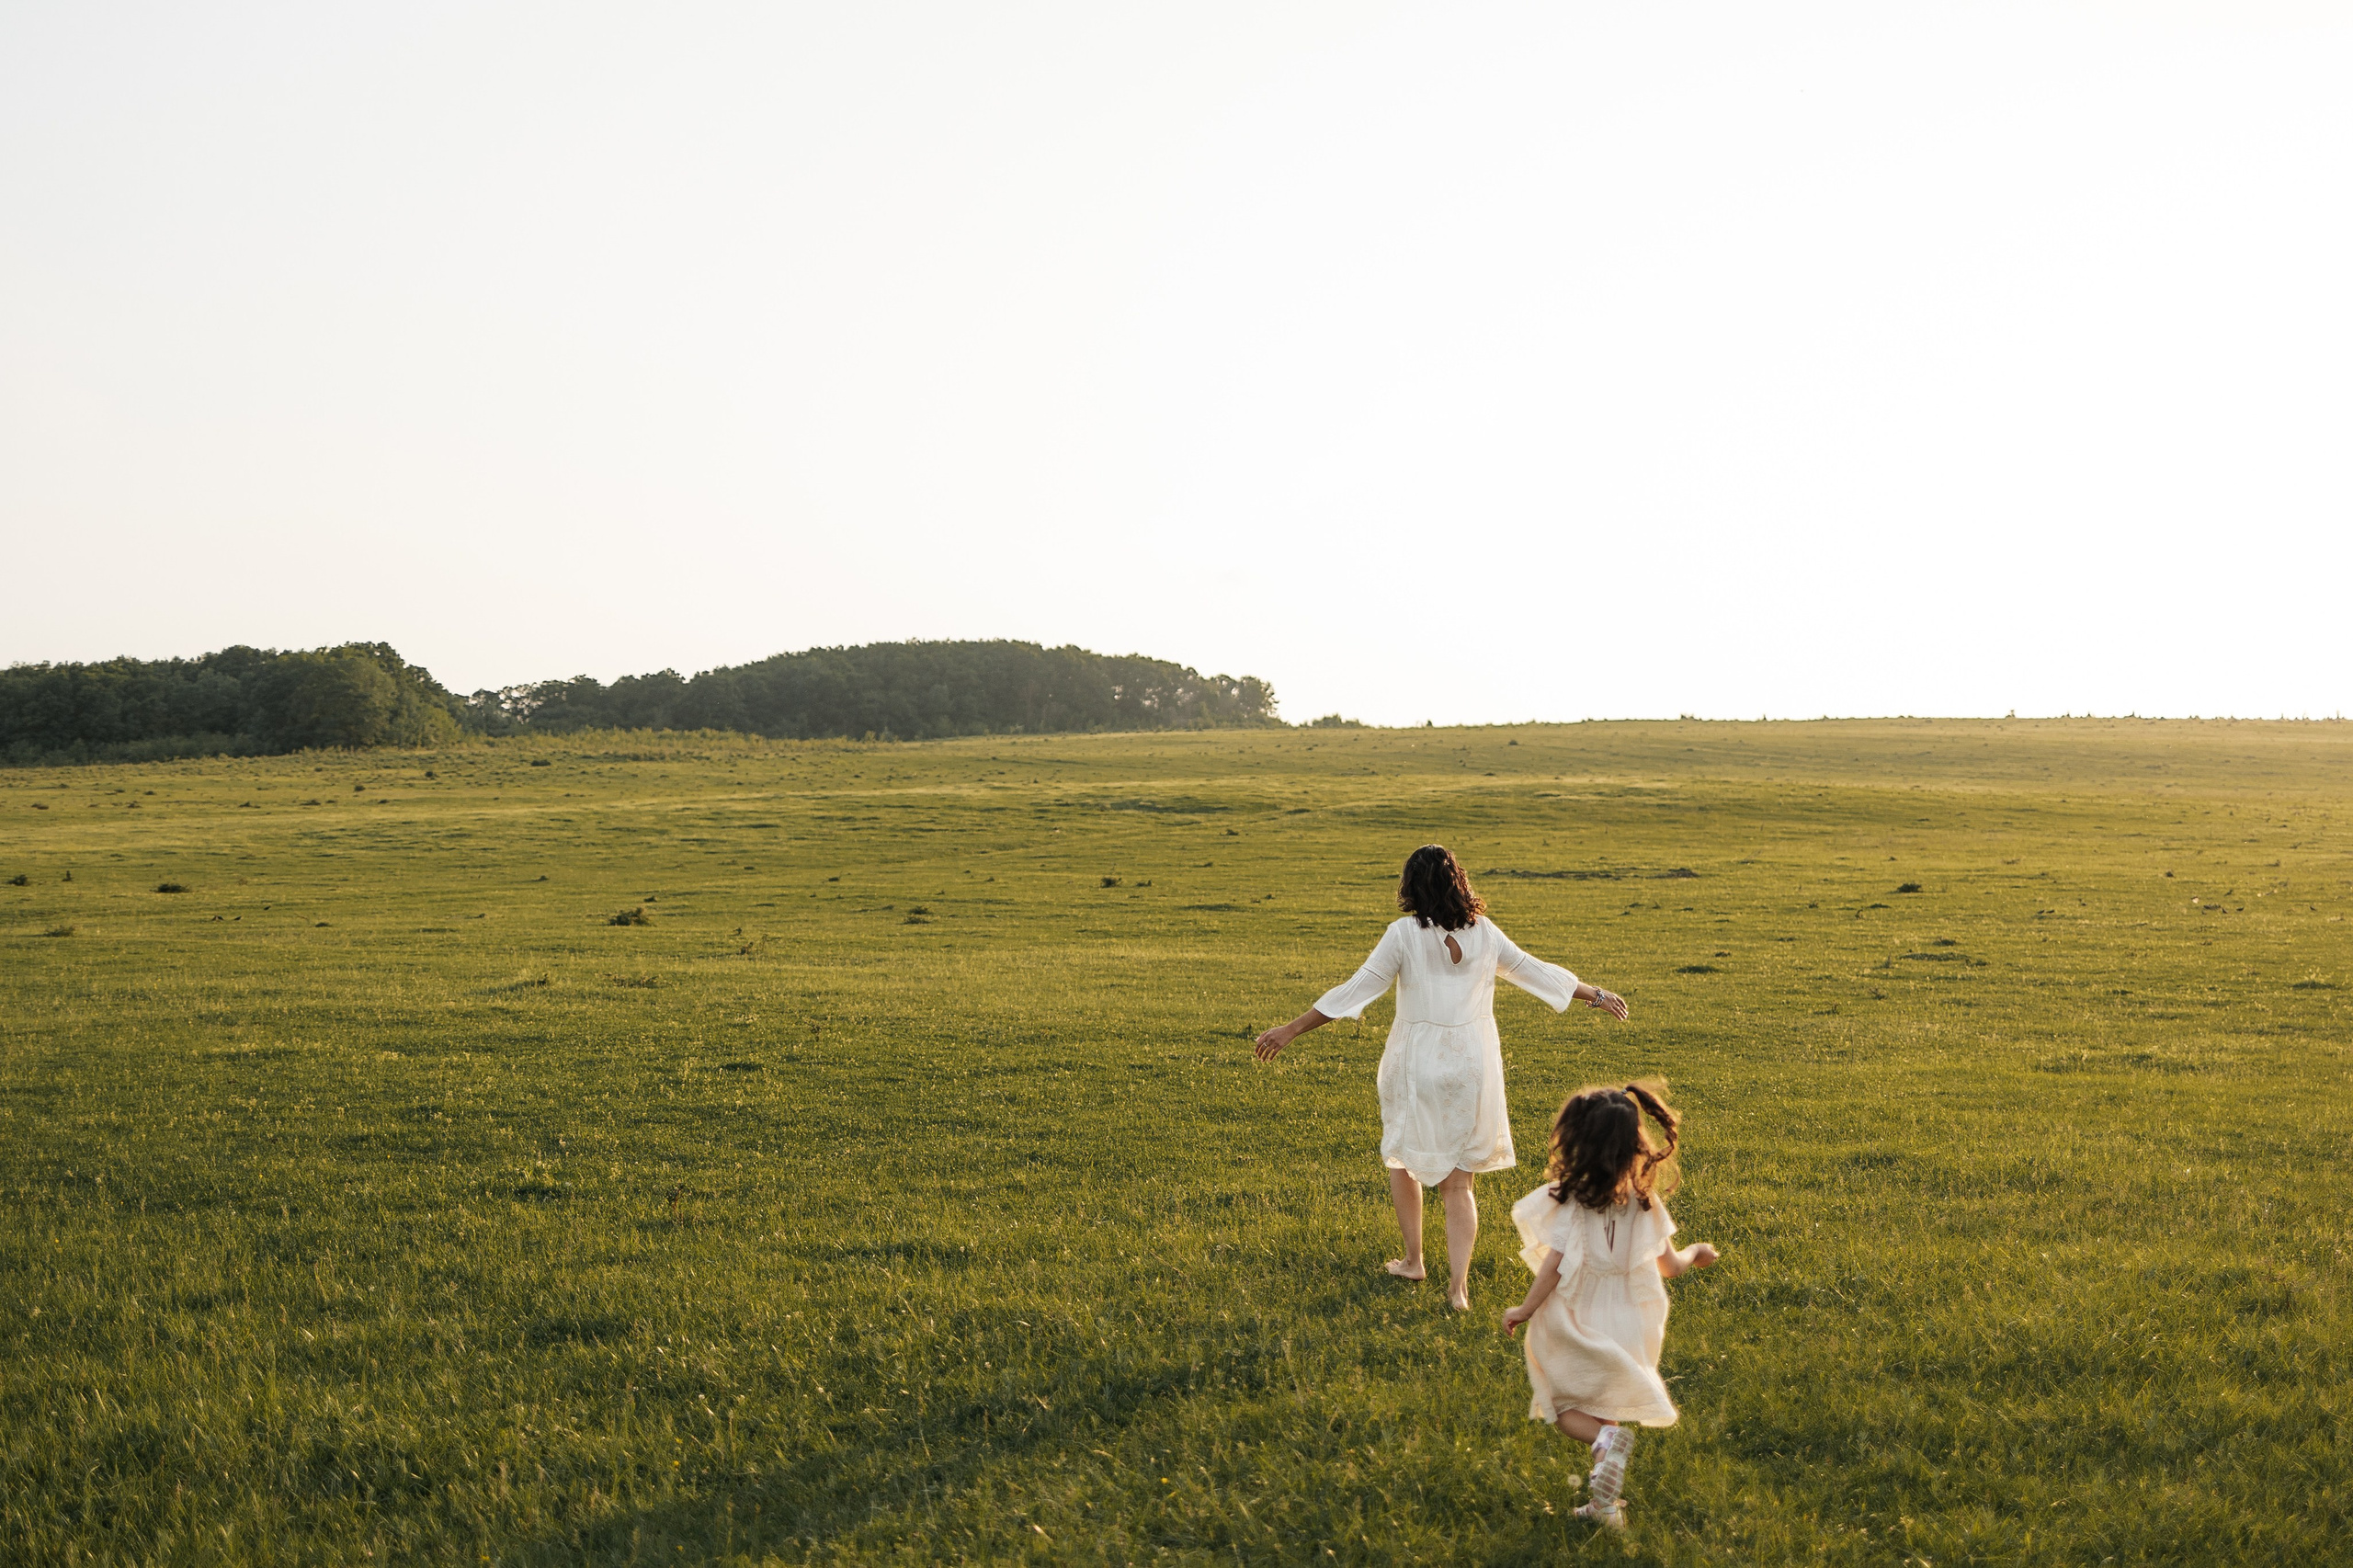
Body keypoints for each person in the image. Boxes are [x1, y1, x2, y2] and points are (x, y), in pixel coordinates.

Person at [1254, 844, 1627, 1311]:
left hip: (1416, 1063)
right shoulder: (1485, 934)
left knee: (1401, 1157)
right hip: (1473, 1065)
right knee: (1459, 1184)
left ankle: (1414, 1261)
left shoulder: (1403, 935)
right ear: (1459, 883)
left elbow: (1357, 987)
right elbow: (1536, 971)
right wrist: (1596, 995)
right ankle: (1459, 1290)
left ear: (1411, 887)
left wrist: (1291, 1029)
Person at [1502, 1082, 1720, 1529]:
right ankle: (1603, 1507)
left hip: (1580, 1313)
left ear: (1577, 1143)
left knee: (1561, 1405)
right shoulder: (1645, 1202)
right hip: (1632, 1317)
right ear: (1635, 1146)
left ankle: (1605, 1438)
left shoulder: (1572, 1202)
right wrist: (1697, 1252)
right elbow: (1672, 1266)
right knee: (1610, 1399)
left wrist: (1524, 1310)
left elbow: (1553, 1269)